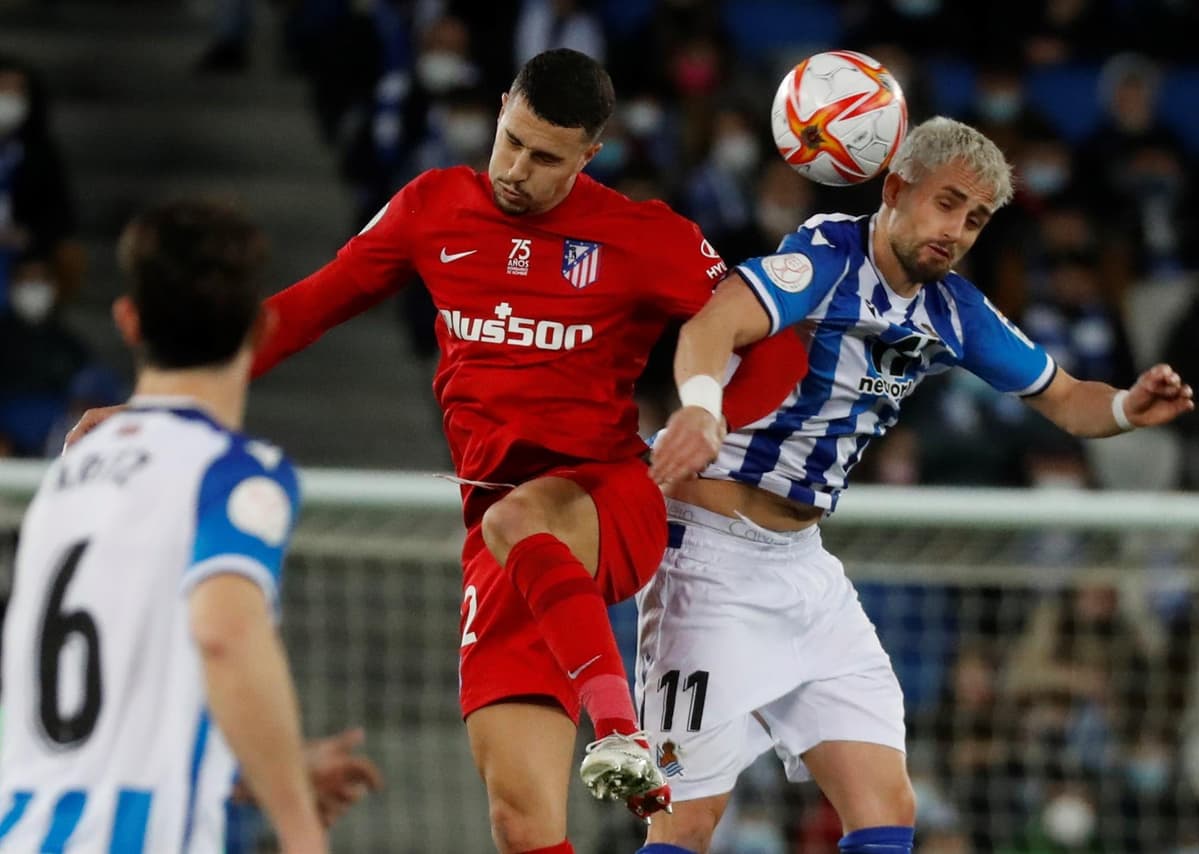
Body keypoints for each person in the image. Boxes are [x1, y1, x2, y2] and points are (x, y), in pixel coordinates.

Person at [67, 49, 804, 854]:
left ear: (589, 156)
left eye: (546, 156)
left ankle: (619, 733)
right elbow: (309, 307)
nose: (517, 168)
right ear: (499, 110)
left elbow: (776, 348)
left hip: (605, 500)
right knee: (521, 823)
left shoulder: (644, 236)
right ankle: (608, 742)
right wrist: (157, 406)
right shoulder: (434, 206)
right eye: (511, 139)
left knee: (527, 518)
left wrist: (706, 421)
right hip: (496, 531)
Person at [643, 116, 1195, 854]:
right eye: (947, 204)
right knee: (685, 823)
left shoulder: (953, 309)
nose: (957, 231)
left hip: (802, 567)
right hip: (705, 562)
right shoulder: (824, 256)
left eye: (974, 219)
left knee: (886, 807)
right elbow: (711, 326)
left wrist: (1129, 406)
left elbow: (1066, 398)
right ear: (897, 189)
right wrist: (702, 410)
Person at [1, 200, 381, 852]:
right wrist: (297, 827)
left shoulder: (69, 475)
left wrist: (270, 768)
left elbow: (109, 701)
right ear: (262, 331)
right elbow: (226, 635)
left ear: (128, 320)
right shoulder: (236, 474)